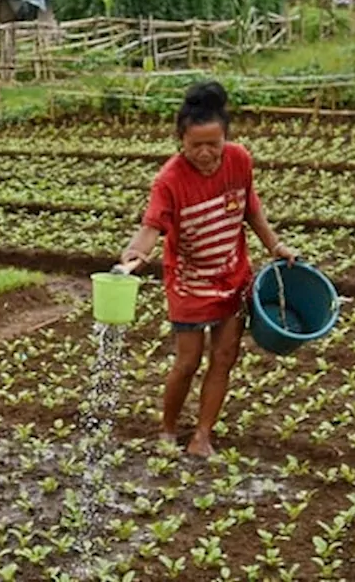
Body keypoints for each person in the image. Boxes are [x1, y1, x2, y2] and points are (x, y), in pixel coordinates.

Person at [120, 81, 297, 458]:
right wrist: (136, 254)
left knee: (224, 357)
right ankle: (168, 430)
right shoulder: (169, 180)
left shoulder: (239, 160)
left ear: (225, 138)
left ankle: (202, 435)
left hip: (233, 277)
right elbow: (151, 226)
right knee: (187, 361)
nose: (204, 153)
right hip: (189, 283)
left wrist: (275, 245)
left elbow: (251, 209)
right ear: (180, 141)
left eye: (213, 144)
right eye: (195, 145)